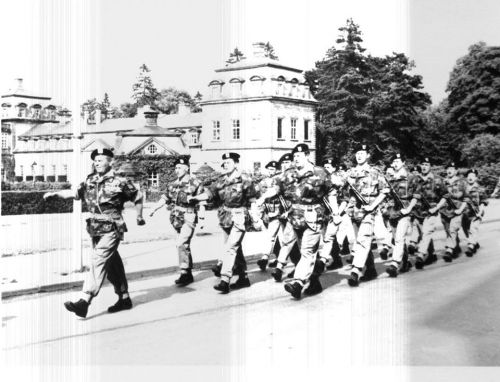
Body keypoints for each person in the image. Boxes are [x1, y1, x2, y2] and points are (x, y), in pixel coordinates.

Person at [44, 148, 145, 318]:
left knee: (98, 260)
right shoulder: (90, 180)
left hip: (112, 227)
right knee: (112, 264)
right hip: (95, 228)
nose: (96, 163)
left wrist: (139, 215)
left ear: (110, 162)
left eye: (100, 159)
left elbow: (138, 196)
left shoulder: (120, 181)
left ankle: (85, 300)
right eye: (95, 160)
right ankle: (124, 297)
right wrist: (56, 194)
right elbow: (75, 193)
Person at [258, 143, 335, 299]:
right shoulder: (288, 174)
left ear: (307, 156)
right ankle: (314, 283)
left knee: (307, 251)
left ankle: (298, 283)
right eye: (294, 157)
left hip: (313, 216)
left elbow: (331, 191)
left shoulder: (320, 172)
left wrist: (336, 212)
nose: (296, 159)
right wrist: (263, 197)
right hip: (295, 218)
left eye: (299, 156)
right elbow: (277, 188)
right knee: (304, 252)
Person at [188, 152, 257, 294]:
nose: (226, 165)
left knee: (231, 247)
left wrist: (256, 218)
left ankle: (225, 280)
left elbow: (252, 200)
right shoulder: (221, 180)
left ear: (236, 164)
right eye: (224, 163)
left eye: (229, 162)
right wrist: (196, 198)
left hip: (239, 216)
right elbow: (210, 193)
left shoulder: (245, 179)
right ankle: (243, 277)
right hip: (225, 217)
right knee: (234, 247)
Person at [149, 156, 204, 286]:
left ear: (187, 168)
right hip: (176, 217)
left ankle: (184, 271)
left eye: (179, 167)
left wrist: (202, 219)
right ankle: (187, 273)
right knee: (184, 245)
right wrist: (154, 208)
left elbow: (202, 202)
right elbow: (164, 199)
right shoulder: (173, 184)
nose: (177, 170)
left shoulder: (195, 183)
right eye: (175, 168)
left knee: (181, 243)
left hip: (189, 216)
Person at [345, 144, 390, 287]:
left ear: (368, 155)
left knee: (363, 240)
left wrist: (373, 205)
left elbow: (385, 191)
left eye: (362, 153)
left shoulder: (375, 172)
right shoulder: (350, 172)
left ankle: (355, 271)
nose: (359, 156)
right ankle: (371, 269)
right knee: (362, 241)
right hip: (354, 212)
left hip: (369, 212)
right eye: (357, 153)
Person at [384, 153, 421, 277]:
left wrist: (409, 208)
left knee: (399, 237)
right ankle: (405, 262)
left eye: (398, 161)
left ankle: (394, 264)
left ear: (403, 162)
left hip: (405, 212)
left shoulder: (411, 177)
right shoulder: (390, 178)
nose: (395, 163)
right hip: (392, 212)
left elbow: (416, 195)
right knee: (397, 240)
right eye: (393, 161)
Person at [413, 158, 447, 269]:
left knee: (427, 232)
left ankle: (421, 255)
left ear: (430, 166)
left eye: (426, 164)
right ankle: (431, 254)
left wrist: (436, 207)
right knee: (423, 234)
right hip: (418, 212)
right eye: (422, 164)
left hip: (431, 211)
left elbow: (445, 196)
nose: (424, 167)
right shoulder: (415, 179)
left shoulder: (437, 180)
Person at [256, 160, 284, 271]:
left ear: (277, 170)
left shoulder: (280, 179)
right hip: (268, 212)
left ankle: (266, 258)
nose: (270, 171)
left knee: (278, 237)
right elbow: (258, 194)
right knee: (272, 237)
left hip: (280, 211)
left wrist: (262, 199)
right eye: (268, 169)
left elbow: (274, 191)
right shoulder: (263, 182)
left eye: (272, 169)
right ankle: (275, 259)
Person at [440, 162, 468, 262]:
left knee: (452, 229)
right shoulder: (443, 182)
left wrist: (461, 209)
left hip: (457, 210)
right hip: (445, 211)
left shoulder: (461, 182)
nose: (449, 170)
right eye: (448, 168)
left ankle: (449, 250)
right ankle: (455, 247)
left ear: (456, 171)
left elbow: (465, 197)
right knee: (448, 231)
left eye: (452, 168)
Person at [463, 169, 488, 256]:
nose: (470, 177)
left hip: (476, 213)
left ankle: (470, 246)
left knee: (473, 229)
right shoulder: (463, 188)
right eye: (469, 176)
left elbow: (483, 202)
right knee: (466, 230)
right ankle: (474, 242)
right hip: (465, 213)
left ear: (476, 178)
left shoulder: (480, 189)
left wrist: (480, 212)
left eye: (473, 176)